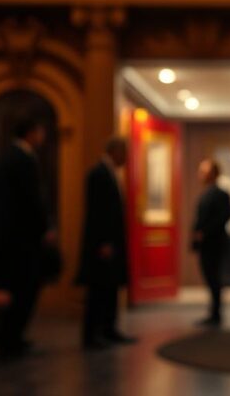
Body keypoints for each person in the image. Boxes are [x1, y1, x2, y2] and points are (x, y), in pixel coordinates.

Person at [0, 116, 54, 358]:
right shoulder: (24, 159)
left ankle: (9, 337)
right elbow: (32, 200)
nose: (43, 137)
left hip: (5, 239)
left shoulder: (4, 157)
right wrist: (45, 229)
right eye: (41, 131)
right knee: (24, 289)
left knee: (13, 288)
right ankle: (11, 338)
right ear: (31, 132)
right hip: (22, 241)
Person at [77, 137, 134, 350]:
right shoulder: (98, 174)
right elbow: (97, 213)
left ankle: (109, 329)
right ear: (115, 151)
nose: (126, 159)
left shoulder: (110, 174)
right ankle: (92, 335)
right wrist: (104, 242)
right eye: (124, 153)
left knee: (110, 289)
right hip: (103, 245)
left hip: (112, 243)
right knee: (98, 290)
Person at [191, 159, 230, 327]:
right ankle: (213, 312)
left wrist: (204, 233)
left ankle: (216, 313)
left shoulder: (221, 194)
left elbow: (222, 218)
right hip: (206, 244)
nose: (200, 174)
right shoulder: (205, 193)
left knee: (214, 277)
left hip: (215, 243)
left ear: (213, 173)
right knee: (209, 276)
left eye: (204, 171)